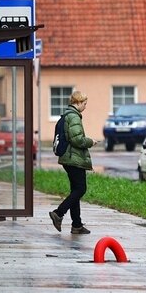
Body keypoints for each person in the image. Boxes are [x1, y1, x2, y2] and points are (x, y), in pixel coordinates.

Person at [49, 91, 99, 235]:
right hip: (74, 158)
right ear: (77, 103)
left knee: (75, 191)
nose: (85, 107)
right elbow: (77, 139)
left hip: (68, 158)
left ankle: (76, 225)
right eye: (84, 104)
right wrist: (91, 141)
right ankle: (58, 213)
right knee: (80, 189)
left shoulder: (67, 115)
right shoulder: (74, 117)